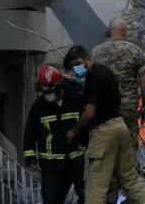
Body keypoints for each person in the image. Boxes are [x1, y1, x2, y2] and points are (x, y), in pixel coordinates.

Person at [66, 54, 145, 204]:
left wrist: (74, 130)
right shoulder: (105, 71)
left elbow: (89, 113)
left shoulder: (93, 76)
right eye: (73, 66)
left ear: (87, 58)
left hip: (104, 133)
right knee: (131, 180)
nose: (76, 68)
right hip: (120, 127)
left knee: (95, 188)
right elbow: (122, 93)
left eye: (77, 63)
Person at [22, 65, 86, 204]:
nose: (46, 95)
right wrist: (30, 157)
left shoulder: (77, 99)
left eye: (48, 90)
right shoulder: (38, 106)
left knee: (87, 197)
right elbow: (29, 133)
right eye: (42, 91)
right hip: (52, 166)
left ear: (59, 86)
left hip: (78, 160)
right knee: (51, 200)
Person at [90, 17, 145, 147]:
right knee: (128, 149)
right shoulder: (135, 51)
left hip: (103, 111)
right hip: (127, 110)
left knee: (105, 147)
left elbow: (89, 79)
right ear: (124, 31)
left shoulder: (96, 51)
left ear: (109, 31)